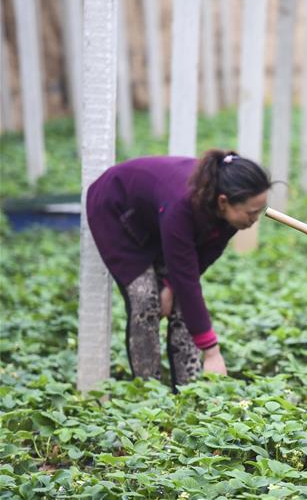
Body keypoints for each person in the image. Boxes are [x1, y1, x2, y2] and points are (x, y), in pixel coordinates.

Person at [86, 150, 270, 389]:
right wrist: (212, 352)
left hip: (155, 216)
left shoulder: (231, 214)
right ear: (224, 201)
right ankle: (147, 391)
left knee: (182, 304)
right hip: (116, 208)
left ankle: (189, 389)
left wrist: (170, 286)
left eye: (260, 210)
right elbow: (187, 278)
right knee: (145, 300)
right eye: (252, 212)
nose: (255, 219)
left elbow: (200, 259)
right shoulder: (182, 206)